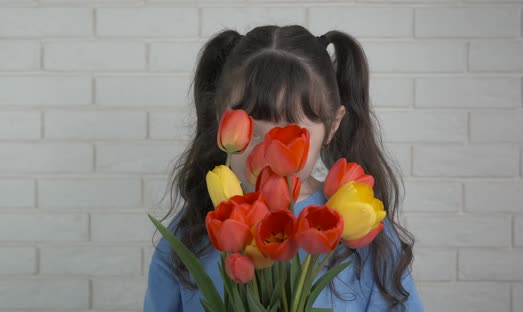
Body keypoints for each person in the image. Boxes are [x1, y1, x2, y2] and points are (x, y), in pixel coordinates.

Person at [143, 25, 424, 312]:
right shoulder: (192, 231)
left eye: (291, 135)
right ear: (221, 118)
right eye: (252, 131)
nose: (267, 152)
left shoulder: (365, 232)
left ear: (333, 126)